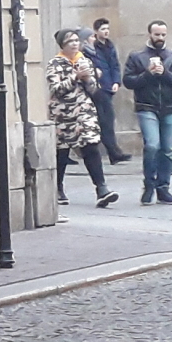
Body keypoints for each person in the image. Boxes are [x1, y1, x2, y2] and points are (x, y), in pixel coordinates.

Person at [48, 29, 118, 208]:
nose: (74, 44)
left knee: (91, 145)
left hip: (84, 112)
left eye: (76, 40)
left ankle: (102, 189)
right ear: (62, 45)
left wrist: (88, 79)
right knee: (61, 152)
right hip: (63, 114)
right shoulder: (55, 63)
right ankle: (57, 188)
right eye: (70, 41)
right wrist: (74, 77)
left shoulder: (85, 61)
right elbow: (56, 89)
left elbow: (94, 89)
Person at [122, 20, 172, 205]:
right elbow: (128, 81)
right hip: (146, 106)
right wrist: (148, 74)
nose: (160, 38)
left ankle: (163, 188)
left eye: (163, 35)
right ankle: (149, 184)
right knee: (152, 145)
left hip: (169, 107)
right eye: (157, 34)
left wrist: (165, 72)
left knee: (167, 149)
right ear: (149, 34)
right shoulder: (137, 57)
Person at [84, 19, 131, 163]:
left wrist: (116, 81)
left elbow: (115, 65)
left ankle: (113, 152)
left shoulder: (110, 46)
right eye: (103, 29)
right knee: (106, 120)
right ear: (96, 31)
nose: (106, 31)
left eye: (108, 29)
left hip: (108, 86)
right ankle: (113, 151)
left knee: (107, 120)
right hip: (98, 88)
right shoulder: (91, 49)